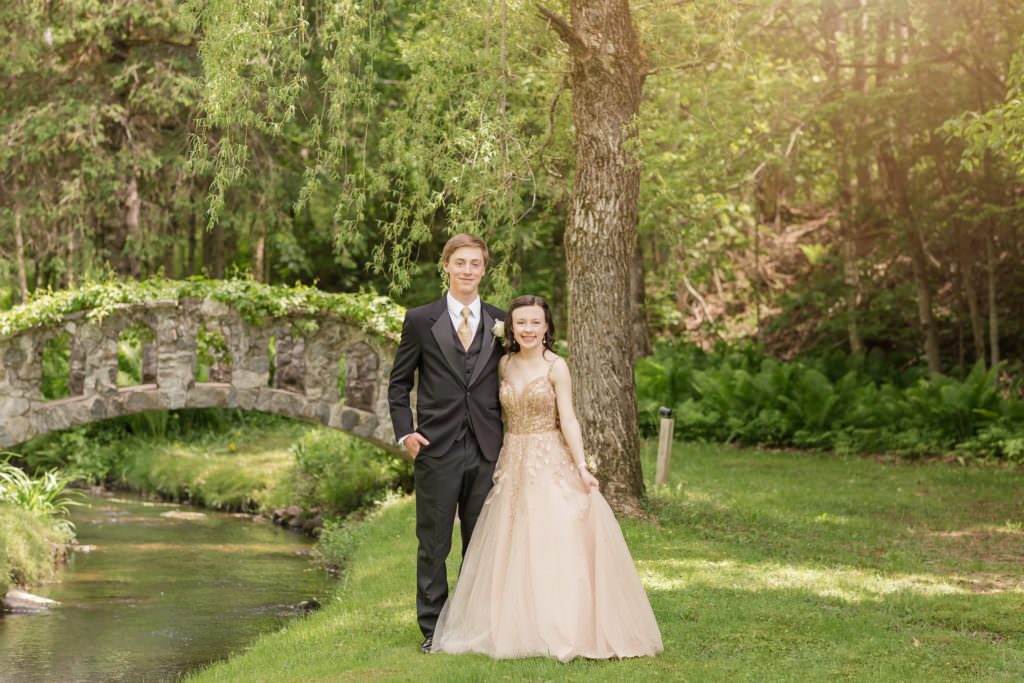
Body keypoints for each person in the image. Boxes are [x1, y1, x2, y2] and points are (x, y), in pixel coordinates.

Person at [431, 295, 663, 661]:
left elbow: (568, 418)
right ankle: (513, 623)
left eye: (535, 322)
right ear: (511, 327)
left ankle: (562, 624)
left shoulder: (556, 367)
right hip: (512, 457)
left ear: (546, 327)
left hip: (548, 456)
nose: (528, 329)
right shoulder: (503, 365)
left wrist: (582, 466)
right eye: (521, 322)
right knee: (511, 540)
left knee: (554, 535)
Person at [387, 233, 506, 654]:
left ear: (484, 269)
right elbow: (399, 384)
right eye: (460, 262)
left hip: (488, 448)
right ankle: (433, 630)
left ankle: (476, 626)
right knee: (434, 543)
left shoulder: (501, 321)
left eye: (475, 263)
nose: (467, 270)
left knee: (482, 543)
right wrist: (406, 432)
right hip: (436, 447)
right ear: (446, 266)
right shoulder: (421, 320)